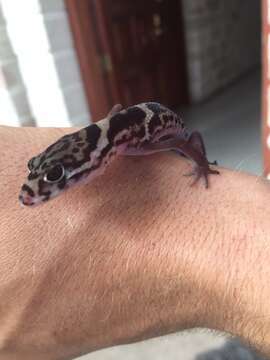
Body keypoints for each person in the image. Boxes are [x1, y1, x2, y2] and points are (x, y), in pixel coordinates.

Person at [0, 126, 269, 360]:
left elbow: (181, 140)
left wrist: (202, 164)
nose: (30, 193)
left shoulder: (134, 144)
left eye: (57, 174)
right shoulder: (118, 145)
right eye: (35, 166)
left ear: (98, 156)